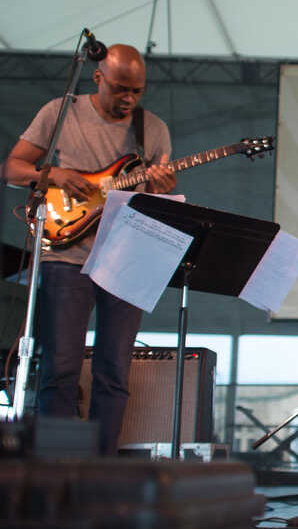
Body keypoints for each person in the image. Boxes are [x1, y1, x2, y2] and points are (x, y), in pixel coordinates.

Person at [3, 44, 175, 454]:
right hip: (66, 256)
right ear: (98, 77)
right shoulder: (60, 112)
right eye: (119, 89)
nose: (128, 99)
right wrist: (56, 173)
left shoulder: (154, 130)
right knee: (60, 367)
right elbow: (12, 168)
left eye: (137, 91)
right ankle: (57, 466)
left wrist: (161, 187)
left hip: (127, 259)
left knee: (114, 371)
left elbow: (153, 201)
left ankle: (100, 467)